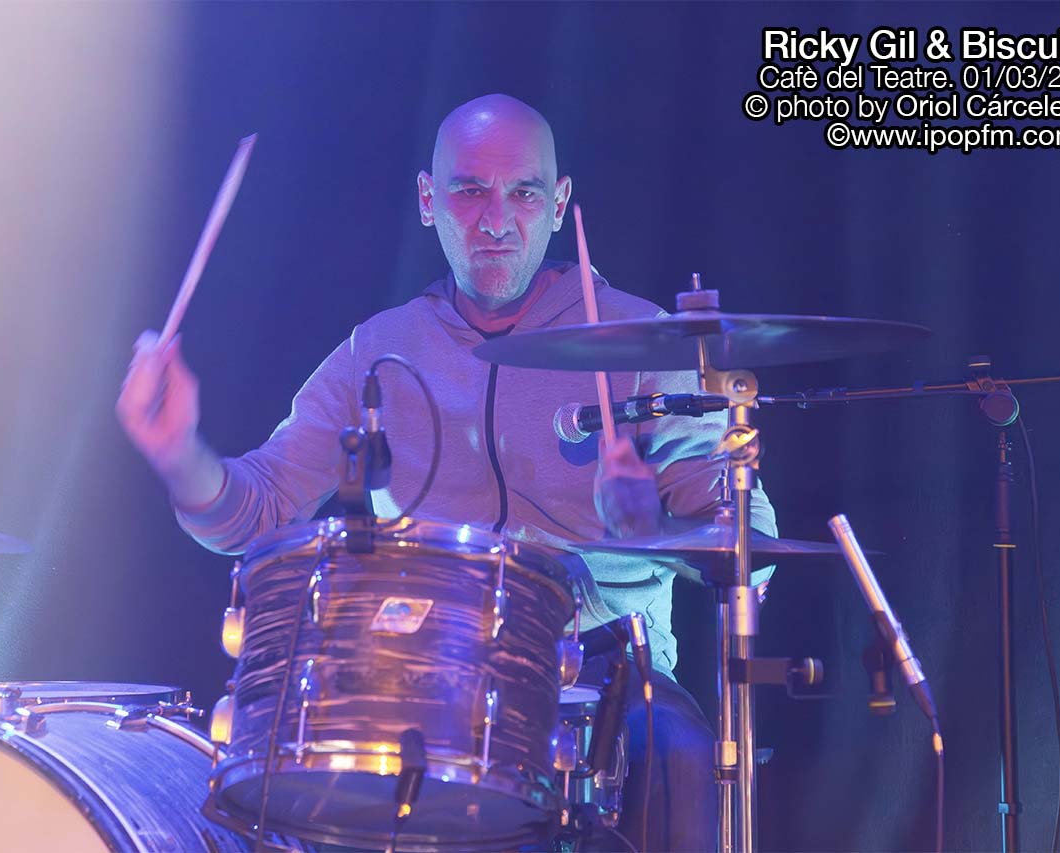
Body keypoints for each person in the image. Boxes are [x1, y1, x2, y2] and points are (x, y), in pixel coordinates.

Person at [118, 93, 774, 852]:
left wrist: (647, 526)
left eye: (524, 192)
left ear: (559, 205)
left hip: (605, 672)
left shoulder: (644, 344)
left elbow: (751, 545)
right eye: (469, 191)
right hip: (420, 675)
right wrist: (178, 452)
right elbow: (254, 511)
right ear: (429, 202)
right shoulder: (378, 350)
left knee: (680, 757)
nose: (497, 220)